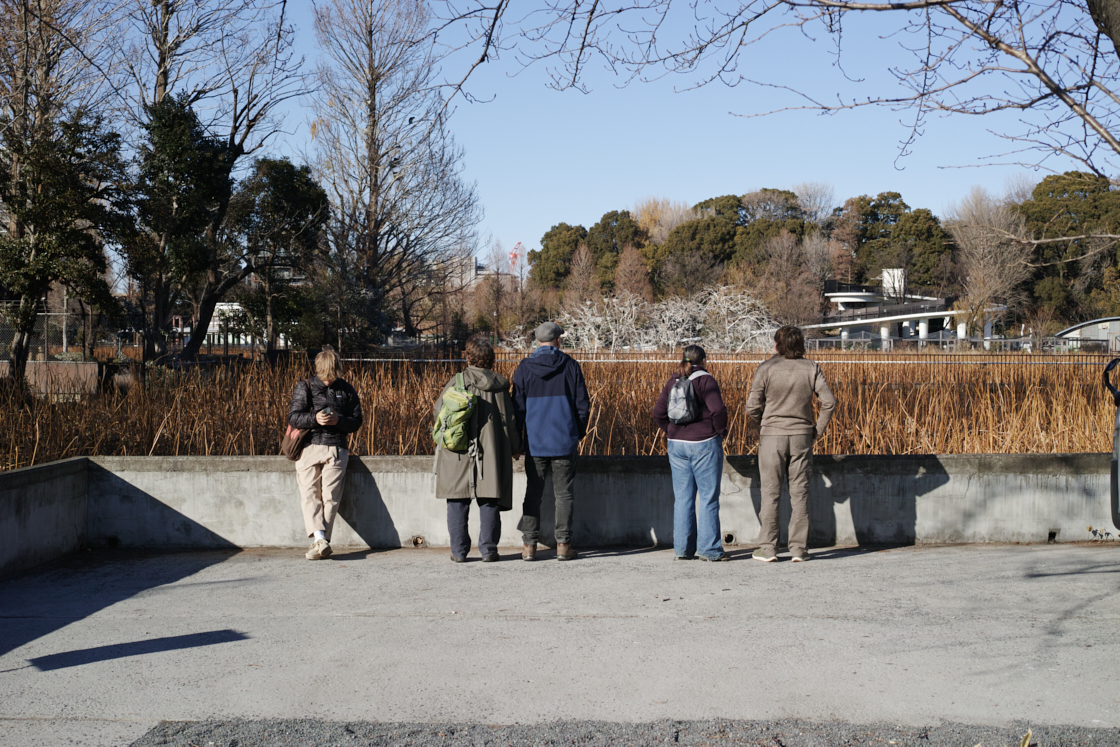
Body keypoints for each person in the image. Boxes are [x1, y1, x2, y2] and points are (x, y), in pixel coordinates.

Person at [745, 326, 836, 563]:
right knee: (800, 494)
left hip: (772, 437)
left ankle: (768, 548)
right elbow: (829, 402)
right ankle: (799, 549)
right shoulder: (811, 367)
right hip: (801, 436)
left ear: (777, 345)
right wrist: (816, 431)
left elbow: (752, 407)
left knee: (770, 494)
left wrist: (761, 425)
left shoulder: (766, 368)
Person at [433, 337, 523, 562]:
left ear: (468, 357)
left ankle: (459, 552)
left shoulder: (457, 381)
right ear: (491, 359)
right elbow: (510, 421)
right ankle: (489, 551)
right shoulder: (500, 387)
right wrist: (515, 448)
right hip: (492, 452)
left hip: (458, 450)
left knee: (457, 501)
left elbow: (439, 412)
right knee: (489, 499)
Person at [512, 321, 590, 561]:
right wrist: (576, 432)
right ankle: (564, 545)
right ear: (558, 340)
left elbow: (517, 409)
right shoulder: (571, 366)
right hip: (563, 441)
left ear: (537, 341)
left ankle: (528, 547)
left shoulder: (524, 368)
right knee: (564, 495)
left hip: (535, 443)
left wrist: (520, 440)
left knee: (533, 494)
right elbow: (582, 406)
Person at [651, 344, 730, 561]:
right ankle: (709, 550)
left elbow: (657, 413)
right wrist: (719, 431)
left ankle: (683, 550)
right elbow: (718, 410)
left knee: (683, 498)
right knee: (708, 498)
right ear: (704, 360)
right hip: (704, 442)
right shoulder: (706, 380)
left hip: (676, 445)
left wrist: (670, 430)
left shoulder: (674, 381)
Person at [288, 346, 364, 560]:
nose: (328, 380)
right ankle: (320, 540)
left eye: (332, 375)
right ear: (318, 370)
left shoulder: (347, 389)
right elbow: (293, 417)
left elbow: (357, 421)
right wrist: (315, 419)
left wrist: (338, 421)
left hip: (336, 448)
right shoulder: (304, 387)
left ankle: (319, 541)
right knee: (310, 494)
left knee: (331, 497)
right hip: (309, 447)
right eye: (325, 375)